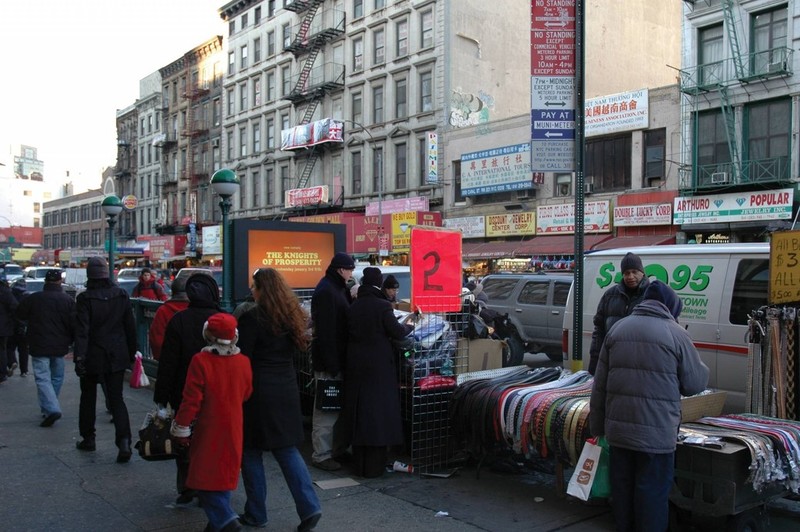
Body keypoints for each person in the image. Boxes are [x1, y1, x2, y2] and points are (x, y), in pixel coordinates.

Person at [589, 280, 709, 532]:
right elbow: (694, 384)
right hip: (657, 435)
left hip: (619, 434)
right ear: (670, 307)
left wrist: (598, 427)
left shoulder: (618, 329)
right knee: (652, 496)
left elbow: (599, 384)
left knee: (623, 493)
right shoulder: (676, 333)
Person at [237, 268, 322, 531]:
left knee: (250, 450)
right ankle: (310, 507)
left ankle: (256, 512)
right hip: (286, 388)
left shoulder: (252, 318)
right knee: (286, 449)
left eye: (255, 286)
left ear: (263, 289)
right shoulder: (291, 316)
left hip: (258, 391)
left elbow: (242, 358)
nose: (252, 290)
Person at [170, 313, 252, 532]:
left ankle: (226, 520)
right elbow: (246, 393)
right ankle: (216, 524)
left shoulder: (201, 361)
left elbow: (191, 400)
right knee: (224, 473)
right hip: (234, 424)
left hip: (208, 426)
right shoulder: (243, 362)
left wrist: (181, 427)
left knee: (203, 478)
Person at [154, 272, 222, 506]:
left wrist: (161, 396)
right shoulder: (222, 319)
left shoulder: (179, 320)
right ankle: (210, 486)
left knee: (184, 437)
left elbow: (168, 362)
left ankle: (188, 485)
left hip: (183, 390)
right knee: (211, 440)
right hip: (217, 392)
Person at [344, 267, 414, 477]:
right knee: (377, 414)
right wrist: (410, 326)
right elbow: (397, 332)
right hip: (378, 367)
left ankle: (360, 464)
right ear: (379, 283)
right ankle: (375, 465)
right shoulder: (382, 306)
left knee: (361, 412)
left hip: (356, 364)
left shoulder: (354, 306)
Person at [73, 257, 137, 463]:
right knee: (116, 398)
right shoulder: (121, 295)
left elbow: (82, 331)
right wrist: (133, 353)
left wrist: (79, 356)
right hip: (117, 353)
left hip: (92, 353)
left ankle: (88, 438)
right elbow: (130, 326)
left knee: (88, 397)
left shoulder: (85, 298)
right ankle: (124, 441)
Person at [309, 252, 355, 471]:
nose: (351, 273)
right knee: (326, 408)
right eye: (350, 270)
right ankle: (322, 454)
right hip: (330, 360)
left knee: (333, 407)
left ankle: (334, 450)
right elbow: (326, 332)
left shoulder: (333, 288)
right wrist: (332, 364)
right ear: (341, 270)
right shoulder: (328, 291)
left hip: (335, 358)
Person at [16, 269, 75, 426]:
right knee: (57, 377)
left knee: (42, 377)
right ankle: (50, 406)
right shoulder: (67, 300)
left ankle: (50, 407)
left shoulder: (34, 298)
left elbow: (20, 314)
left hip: (38, 343)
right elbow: (74, 323)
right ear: (60, 282)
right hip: (60, 345)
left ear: (45, 281)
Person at [588, 252, 649, 375]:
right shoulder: (610, 295)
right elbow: (599, 330)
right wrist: (594, 361)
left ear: (642, 273)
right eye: (626, 273)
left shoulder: (652, 295)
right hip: (613, 361)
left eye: (634, 272)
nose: (630, 276)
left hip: (640, 363)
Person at [148, 276, 189, 361]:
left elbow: (156, 338)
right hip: (191, 360)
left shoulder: (163, 310)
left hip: (169, 359)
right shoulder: (196, 310)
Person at [7, 277, 29, 377]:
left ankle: (12, 362)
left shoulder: (10, 296)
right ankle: (24, 371)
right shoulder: (27, 297)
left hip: (11, 325)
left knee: (10, 347)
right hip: (23, 327)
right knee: (23, 350)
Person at [0, 271, 18, 385]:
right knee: (2, 350)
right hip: (3, 327)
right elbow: (15, 307)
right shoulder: (5, 291)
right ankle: (2, 374)